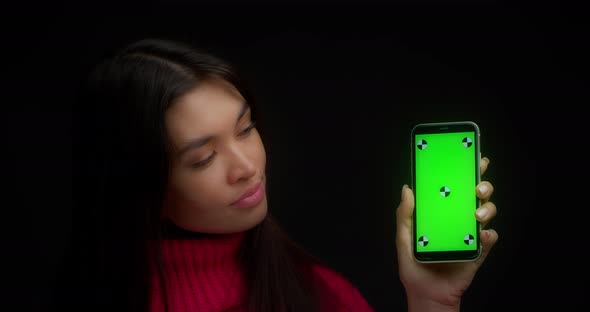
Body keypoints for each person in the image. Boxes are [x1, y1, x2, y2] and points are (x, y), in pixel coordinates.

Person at [53, 38, 498, 312]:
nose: (247, 167)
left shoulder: (314, 288)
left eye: (246, 129)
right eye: (204, 158)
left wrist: (432, 301)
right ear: (140, 185)